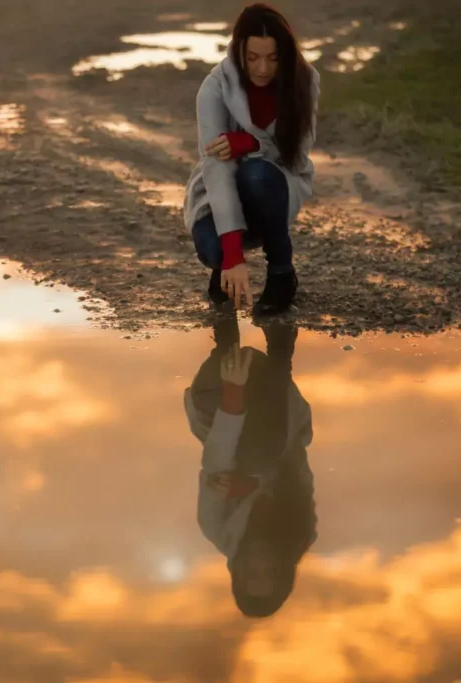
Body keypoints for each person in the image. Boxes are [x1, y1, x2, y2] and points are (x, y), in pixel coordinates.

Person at [183, 3, 320, 315]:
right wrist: (232, 257)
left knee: (256, 174)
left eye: (273, 58)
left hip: (273, 184)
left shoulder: (304, 82)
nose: (262, 68)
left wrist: (250, 143)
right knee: (214, 251)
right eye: (253, 57)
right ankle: (224, 270)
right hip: (218, 191)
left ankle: (282, 274)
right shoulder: (214, 88)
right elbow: (216, 168)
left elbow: (296, 157)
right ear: (238, 52)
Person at [183, 319, 317, 618]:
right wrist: (250, 484)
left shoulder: (215, 527)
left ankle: (225, 328)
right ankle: (280, 339)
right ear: (283, 573)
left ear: (239, 575)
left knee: (252, 459)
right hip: (274, 405)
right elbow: (294, 463)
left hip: (218, 401)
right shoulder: (298, 534)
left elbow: (217, 459)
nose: (261, 566)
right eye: (270, 575)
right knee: (261, 458)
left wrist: (234, 388)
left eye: (252, 576)